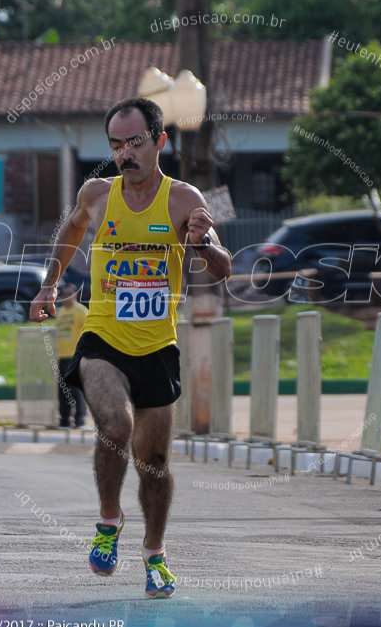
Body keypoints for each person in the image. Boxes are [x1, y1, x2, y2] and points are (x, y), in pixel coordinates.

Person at [30, 97, 231, 599]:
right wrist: (49, 285)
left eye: (135, 142)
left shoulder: (184, 199)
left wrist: (203, 244)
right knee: (115, 426)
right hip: (103, 337)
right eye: (116, 145)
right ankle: (107, 520)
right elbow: (71, 231)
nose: (125, 153)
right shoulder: (97, 194)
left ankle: (155, 554)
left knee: (155, 461)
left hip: (158, 344)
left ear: (160, 141)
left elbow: (223, 269)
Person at [55, 281, 88, 428]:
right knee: (62, 388)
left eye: (70, 294)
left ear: (76, 295)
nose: (66, 297)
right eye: (63, 294)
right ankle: (64, 420)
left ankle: (80, 420)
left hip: (76, 356)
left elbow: (87, 333)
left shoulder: (81, 311)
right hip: (62, 356)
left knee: (76, 389)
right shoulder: (61, 312)